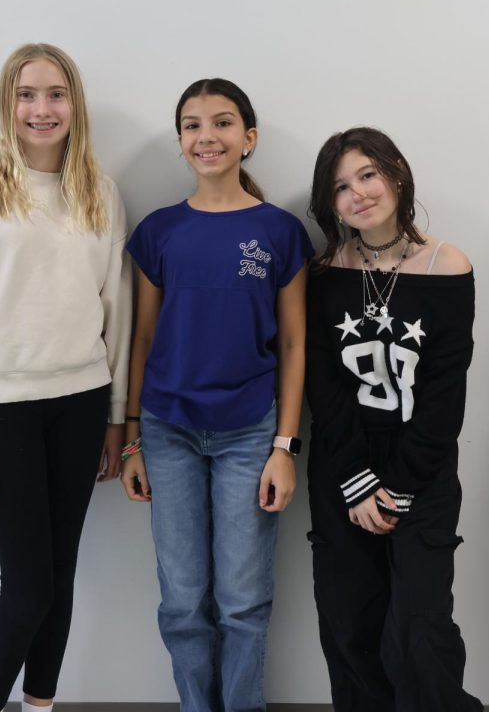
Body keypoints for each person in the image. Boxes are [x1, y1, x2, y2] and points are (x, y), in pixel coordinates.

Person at [0, 43, 132, 712]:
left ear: (75, 105)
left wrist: (117, 416)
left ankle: (39, 707)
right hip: (3, 410)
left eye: (55, 94)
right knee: (29, 587)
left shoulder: (99, 191)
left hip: (81, 403)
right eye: (26, 94)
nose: (41, 109)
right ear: (7, 105)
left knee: (60, 577)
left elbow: (117, 308)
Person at [119, 78, 312, 712]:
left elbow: (292, 346)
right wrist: (131, 441)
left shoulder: (279, 232)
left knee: (243, 599)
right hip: (167, 429)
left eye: (223, 123)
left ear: (248, 138)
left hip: (251, 434)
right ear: (180, 142)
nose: (208, 136)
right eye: (193, 125)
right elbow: (141, 338)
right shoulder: (160, 231)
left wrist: (284, 444)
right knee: (182, 599)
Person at [303, 126, 483, 711]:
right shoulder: (326, 271)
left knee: (421, 627)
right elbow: (324, 387)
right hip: (343, 467)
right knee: (349, 623)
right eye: (340, 187)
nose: (357, 193)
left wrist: (399, 489)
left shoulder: (447, 265)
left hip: (421, 469)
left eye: (367, 174)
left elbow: (444, 394)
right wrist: (357, 481)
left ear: (396, 173)